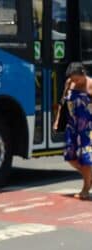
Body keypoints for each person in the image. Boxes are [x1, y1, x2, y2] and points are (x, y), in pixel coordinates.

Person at [54, 62, 92, 200]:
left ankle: (86, 189)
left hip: (87, 127)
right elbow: (62, 102)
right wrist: (58, 119)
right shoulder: (69, 83)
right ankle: (89, 178)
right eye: (73, 79)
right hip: (72, 125)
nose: (75, 82)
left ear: (83, 73)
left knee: (86, 159)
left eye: (77, 79)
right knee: (70, 156)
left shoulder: (90, 84)